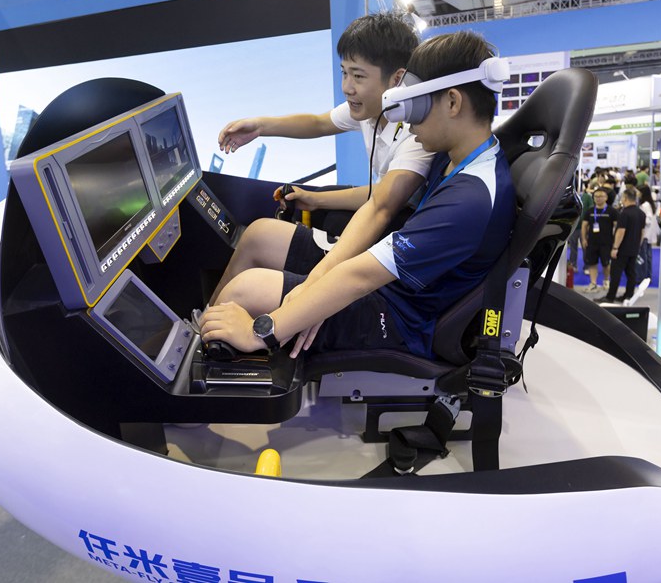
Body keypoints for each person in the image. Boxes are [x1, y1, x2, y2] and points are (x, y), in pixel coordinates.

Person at [200, 31, 516, 360]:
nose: (409, 124)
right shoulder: (459, 156)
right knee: (259, 237)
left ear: (452, 102)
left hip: (401, 317)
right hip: (391, 284)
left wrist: (262, 330)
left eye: (417, 108)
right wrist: (314, 291)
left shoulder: (469, 200)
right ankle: (203, 339)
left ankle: (201, 365)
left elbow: (361, 276)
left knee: (245, 291)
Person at [210, 13, 432, 303]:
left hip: (390, 254)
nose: (347, 87)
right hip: (384, 230)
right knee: (265, 232)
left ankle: (203, 326)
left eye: (358, 76)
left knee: (256, 237)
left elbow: (382, 206)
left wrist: (317, 283)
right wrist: (261, 126)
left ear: (397, 79)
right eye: (344, 73)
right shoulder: (370, 109)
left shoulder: (416, 133)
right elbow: (318, 123)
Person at [597, 188, 645, 303]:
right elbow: (642, 232)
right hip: (634, 248)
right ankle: (628, 295)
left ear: (625, 198)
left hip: (622, 249)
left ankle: (610, 296)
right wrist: (638, 245)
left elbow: (620, 231)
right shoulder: (641, 213)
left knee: (615, 273)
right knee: (631, 273)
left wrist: (615, 247)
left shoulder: (625, 213)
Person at [581, 188, 617, 292]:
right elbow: (584, 226)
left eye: (601, 196)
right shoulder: (590, 211)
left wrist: (615, 242)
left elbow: (617, 227)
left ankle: (606, 281)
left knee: (606, 263)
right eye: (596, 196)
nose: (598, 198)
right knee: (592, 263)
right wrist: (584, 239)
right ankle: (593, 283)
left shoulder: (612, 211)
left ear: (606, 198)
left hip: (607, 242)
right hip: (592, 242)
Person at [635, 183, 658, 284]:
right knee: (647, 257)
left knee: (642, 257)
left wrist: (638, 222)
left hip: (644, 234)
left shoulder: (645, 205)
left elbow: (647, 220)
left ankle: (642, 277)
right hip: (648, 234)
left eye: (638, 192)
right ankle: (647, 276)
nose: (637, 194)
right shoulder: (649, 204)